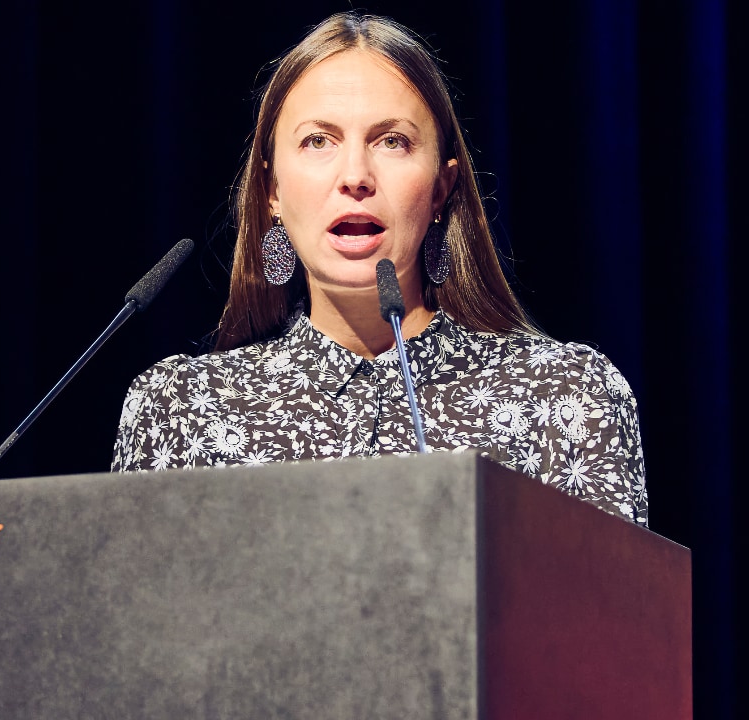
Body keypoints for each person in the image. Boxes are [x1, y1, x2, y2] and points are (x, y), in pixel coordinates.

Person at [111, 12, 647, 527]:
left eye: (392, 141)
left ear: (441, 189)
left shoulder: (564, 398)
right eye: (318, 140)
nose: (356, 176)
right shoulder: (180, 410)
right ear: (272, 190)